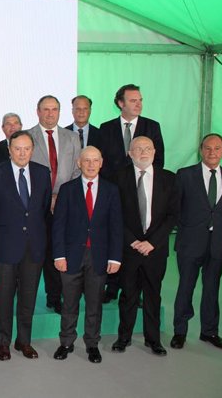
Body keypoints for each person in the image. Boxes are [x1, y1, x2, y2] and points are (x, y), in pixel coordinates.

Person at [0, 131, 51, 361]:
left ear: (32, 150)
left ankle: (24, 341)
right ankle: (3, 342)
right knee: (4, 297)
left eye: (26, 149)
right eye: (17, 149)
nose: (22, 153)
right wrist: (3, 230)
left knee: (28, 297)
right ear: (10, 150)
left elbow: (41, 210)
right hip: (5, 246)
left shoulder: (42, 173)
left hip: (34, 246)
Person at [52, 146, 122, 364]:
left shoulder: (111, 190)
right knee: (69, 303)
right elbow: (58, 226)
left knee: (94, 304)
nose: (91, 165)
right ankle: (66, 342)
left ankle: (92, 344)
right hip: (71, 255)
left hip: (99, 256)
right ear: (78, 163)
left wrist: (115, 257)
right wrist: (59, 255)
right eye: (87, 161)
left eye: (95, 160)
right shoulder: (67, 189)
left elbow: (116, 226)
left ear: (101, 163)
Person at [171, 133, 222, 351]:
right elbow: (176, 208)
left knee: (212, 288)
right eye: (208, 148)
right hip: (190, 242)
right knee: (185, 287)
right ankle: (180, 331)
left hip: (218, 242)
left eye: (217, 148)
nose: (212, 152)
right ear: (201, 150)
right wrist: (192, 227)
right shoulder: (185, 175)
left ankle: (209, 331)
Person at [99, 84, 165, 302]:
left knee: (138, 238)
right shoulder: (106, 128)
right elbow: (103, 163)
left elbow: (159, 161)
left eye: (140, 100)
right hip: (113, 193)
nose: (138, 104)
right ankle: (112, 285)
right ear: (120, 103)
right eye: (133, 100)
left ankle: (136, 291)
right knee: (115, 237)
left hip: (141, 193)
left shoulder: (152, 127)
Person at [112, 136, 177, 356]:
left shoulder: (169, 179)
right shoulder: (118, 178)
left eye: (147, 148)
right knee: (128, 295)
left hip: (155, 250)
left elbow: (172, 216)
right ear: (130, 153)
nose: (143, 152)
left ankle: (153, 339)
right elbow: (114, 215)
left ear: (155, 151)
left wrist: (152, 242)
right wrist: (133, 240)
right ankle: (124, 338)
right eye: (138, 148)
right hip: (129, 249)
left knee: (153, 295)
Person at [28, 95, 81, 314]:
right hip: (36, 205)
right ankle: (26, 294)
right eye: (46, 109)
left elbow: (77, 170)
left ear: (60, 112)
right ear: (38, 111)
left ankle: (54, 295)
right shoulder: (27, 137)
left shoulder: (72, 137)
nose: (50, 113)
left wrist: (62, 196)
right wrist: (47, 197)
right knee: (36, 250)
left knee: (58, 250)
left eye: (55, 109)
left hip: (64, 203)